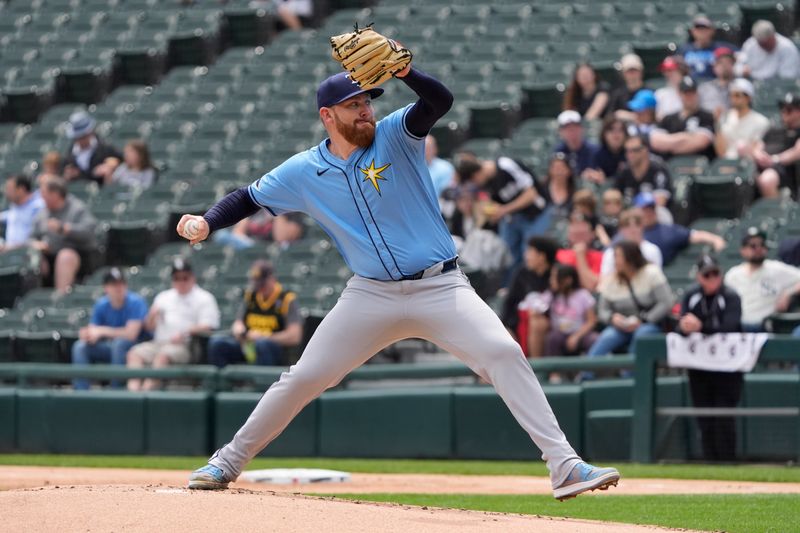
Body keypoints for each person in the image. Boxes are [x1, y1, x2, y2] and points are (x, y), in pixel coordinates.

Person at [178, 59, 619, 498]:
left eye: (367, 101)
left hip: (440, 286)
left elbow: (439, 101)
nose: (366, 110)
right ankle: (226, 462)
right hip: (370, 295)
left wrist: (404, 71)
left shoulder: (395, 134)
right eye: (353, 105)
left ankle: (564, 466)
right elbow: (247, 197)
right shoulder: (304, 170)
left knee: (504, 352)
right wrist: (207, 222)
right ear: (327, 116)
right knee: (303, 377)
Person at [678, 254, 743, 462]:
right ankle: (710, 464)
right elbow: (680, 325)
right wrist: (684, 327)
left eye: (716, 273)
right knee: (704, 417)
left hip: (727, 368)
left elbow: (730, 327)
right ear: (699, 277)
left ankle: (728, 462)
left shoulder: (731, 296)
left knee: (724, 416)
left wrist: (701, 327)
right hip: (699, 367)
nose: (713, 278)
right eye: (707, 275)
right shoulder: (691, 296)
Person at [126, 259, 220, 391]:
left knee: (163, 356)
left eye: (185, 278)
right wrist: (152, 316)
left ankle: (145, 394)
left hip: (185, 346)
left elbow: (209, 326)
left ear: (192, 278)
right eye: (177, 278)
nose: (181, 282)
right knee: (134, 353)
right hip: (158, 343)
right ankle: (133, 393)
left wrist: (186, 332)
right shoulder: (163, 297)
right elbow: (149, 327)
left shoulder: (204, 298)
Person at [207, 260, 302, 368]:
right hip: (248, 345)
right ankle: (224, 383)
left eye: (263, 284)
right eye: (257, 284)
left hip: (274, 350)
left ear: (272, 279)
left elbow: (295, 336)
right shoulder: (251, 295)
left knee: (261, 345)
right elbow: (238, 323)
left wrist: (265, 337)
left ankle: (262, 383)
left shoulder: (286, 299)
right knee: (217, 343)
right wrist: (239, 330)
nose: (260, 288)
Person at [457, 156, 549, 267]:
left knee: (528, 255)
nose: (477, 184)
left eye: (474, 181)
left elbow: (531, 194)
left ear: (476, 175)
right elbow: (496, 202)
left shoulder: (505, 165)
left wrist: (503, 210)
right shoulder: (487, 182)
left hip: (536, 213)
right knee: (506, 258)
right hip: (513, 218)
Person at [588, 240, 673, 357]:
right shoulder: (611, 280)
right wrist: (612, 318)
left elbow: (666, 302)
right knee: (607, 337)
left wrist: (644, 320)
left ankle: (630, 373)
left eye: (618, 256)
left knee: (641, 335)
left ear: (630, 257)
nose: (615, 261)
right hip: (621, 327)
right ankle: (586, 374)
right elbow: (602, 310)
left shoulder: (652, 272)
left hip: (649, 324)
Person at [70, 268, 149, 390]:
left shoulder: (136, 302)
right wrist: (88, 335)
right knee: (80, 346)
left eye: (121, 283)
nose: (118, 287)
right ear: (106, 288)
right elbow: (93, 330)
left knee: (119, 344)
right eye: (114, 284)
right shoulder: (101, 304)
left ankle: (116, 392)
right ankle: (81, 393)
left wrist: (102, 331)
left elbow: (131, 334)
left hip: (136, 347)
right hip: (110, 348)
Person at [28, 177, 97, 292]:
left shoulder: (77, 208)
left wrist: (64, 229)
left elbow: (90, 233)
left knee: (65, 256)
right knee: (34, 258)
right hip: (48, 255)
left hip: (77, 256)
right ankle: (34, 300)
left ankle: (61, 299)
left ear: (55, 194)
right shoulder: (43, 213)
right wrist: (36, 245)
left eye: (44, 194)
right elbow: (31, 237)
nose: (42, 198)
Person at [724, 227, 800, 331]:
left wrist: (789, 293)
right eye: (753, 246)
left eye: (762, 245)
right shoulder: (733, 275)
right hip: (739, 327)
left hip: (766, 326)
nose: (758, 249)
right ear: (743, 250)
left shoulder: (777, 269)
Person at [501, 236, 558, 358]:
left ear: (541, 256)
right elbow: (510, 302)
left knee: (537, 322)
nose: (526, 256)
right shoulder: (521, 273)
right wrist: (507, 327)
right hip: (518, 323)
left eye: (530, 252)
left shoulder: (557, 273)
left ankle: (536, 370)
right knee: (500, 336)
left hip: (551, 323)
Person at [637, 192, 726, 264]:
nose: (648, 213)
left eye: (650, 209)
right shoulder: (627, 233)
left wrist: (716, 240)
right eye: (644, 210)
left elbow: (695, 235)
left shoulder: (668, 231)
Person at [649, 76, 716, 161]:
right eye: (686, 93)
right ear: (679, 94)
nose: (689, 97)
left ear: (697, 94)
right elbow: (655, 142)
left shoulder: (707, 116)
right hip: (671, 166)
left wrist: (670, 145)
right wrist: (685, 137)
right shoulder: (668, 118)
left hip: (698, 165)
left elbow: (700, 142)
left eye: (692, 93)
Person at [541, 263, 598, 357]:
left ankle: (588, 371)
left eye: (555, 277)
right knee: (552, 338)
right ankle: (554, 371)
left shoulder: (583, 295)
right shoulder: (551, 295)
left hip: (580, 333)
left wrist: (576, 336)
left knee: (594, 339)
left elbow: (591, 321)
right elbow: (537, 306)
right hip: (560, 334)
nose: (551, 281)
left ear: (568, 280)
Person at [751, 93, 800, 198]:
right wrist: (758, 154)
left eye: (789, 110)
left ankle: (775, 213)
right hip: (759, 163)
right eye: (782, 108)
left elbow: (797, 152)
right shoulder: (775, 128)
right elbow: (758, 144)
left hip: (782, 168)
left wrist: (774, 159)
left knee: (767, 180)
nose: (784, 112)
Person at [715, 78, 770, 160]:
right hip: (726, 164)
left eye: (737, 95)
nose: (733, 99)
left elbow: (756, 151)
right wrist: (718, 122)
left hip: (747, 165)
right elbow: (721, 152)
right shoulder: (725, 117)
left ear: (748, 98)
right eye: (731, 95)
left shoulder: (761, 121)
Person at [61, 111, 122, 184]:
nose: (81, 140)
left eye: (83, 136)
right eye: (77, 137)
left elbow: (122, 161)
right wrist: (67, 175)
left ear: (91, 132)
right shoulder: (68, 155)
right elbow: (61, 174)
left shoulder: (106, 148)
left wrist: (111, 166)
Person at [614, 134, 673, 207]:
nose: (630, 155)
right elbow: (614, 196)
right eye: (627, 151)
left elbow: (660, 203)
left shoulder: (658, 169)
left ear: (645, 150)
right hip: (628, 214)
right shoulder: (624, 171)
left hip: (653, 213)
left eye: (635, 150)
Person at [600, 208, 662, 276]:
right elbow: (604, 279)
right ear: (621, 230)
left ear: (643, 226)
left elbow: (656, 278)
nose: (633, 228)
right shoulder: (610, 253)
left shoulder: (653, 250)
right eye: (627, 225)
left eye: (637, 224)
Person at [735, 20, 800, 81]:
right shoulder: (750, 44)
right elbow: (738, 66)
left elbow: (788, 78)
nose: (765, 46)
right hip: (755, 83)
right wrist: (742, 70)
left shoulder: (787, 48)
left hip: (777, 87)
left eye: (767, 43)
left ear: (773, 36)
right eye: (762, 44)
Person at [677, 15, 737, 80]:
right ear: (692, 31)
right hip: (691, 87)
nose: (701, 31)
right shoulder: (684, 49)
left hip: (716, 86)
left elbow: (739, 56)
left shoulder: (721, 48)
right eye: (698, 28)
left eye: (705, 28)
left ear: (712, 30)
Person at [556, 211, 603, 291]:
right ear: (568, 234)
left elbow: (592, 285)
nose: (578, 229)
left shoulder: (601, 257)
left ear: (592, 234)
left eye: (582, 233)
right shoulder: (558, 255)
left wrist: (580, 256)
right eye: (575, 226)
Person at [0, 174, 45, 252]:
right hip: (8, 253)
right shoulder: (15, 206)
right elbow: (8, 216)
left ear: (21, 189)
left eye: (10, 189)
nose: (6, 192)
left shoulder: (38, 207)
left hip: (28, 254)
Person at [553, 110, 599, 176]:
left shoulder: (594, 150)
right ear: (560, 131)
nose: (572, 131)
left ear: (581, 128)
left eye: (575, 127)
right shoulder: (558, 151)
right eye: (567, 128)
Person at [584, 117, 627, 185]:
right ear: (604, 134)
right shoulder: (597, 154)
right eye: (611, 129)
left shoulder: (631, 152)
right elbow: (590, 173)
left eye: (620, 130)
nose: (616, 133)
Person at [699, 47, 736, 118]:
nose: (724, 65)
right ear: (714, 66)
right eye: (720, 62)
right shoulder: (704, 88)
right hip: (708, 123)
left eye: (728, 62)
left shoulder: (740, 86)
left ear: (733, 65)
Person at [542, 152, 575, 226]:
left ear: (569, 171)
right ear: (550, 170)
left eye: (562, 167)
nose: (559, 171)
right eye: (555, 168)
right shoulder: (541, 191)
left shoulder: (575, 193)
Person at [655, 56, 688, 121]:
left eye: (670, 70)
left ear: (681, 70)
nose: (667, 74)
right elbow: (658, 118)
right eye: (665, 71)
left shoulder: (692, 91)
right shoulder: (660, 94)